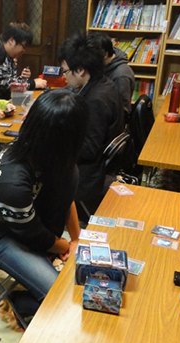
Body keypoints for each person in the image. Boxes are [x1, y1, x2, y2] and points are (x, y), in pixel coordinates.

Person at [0, 88, 87, 313]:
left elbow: (67, 197)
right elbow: (34, 234)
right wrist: (65, 246)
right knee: (59, 296)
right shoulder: (10, 181)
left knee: (75, 282)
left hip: (30, 220)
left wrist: (76, 240)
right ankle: (13, 302)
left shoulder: (55, 157)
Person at [58, 32, 124, 212]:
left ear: (80, 70)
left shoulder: (95, 100)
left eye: (65, 71)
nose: (64, 77)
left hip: (88, 175)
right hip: (97, 167)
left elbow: (87, 149)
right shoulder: (105, 84)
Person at [0, 22, 48, 100]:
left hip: (3, 101)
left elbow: (8, 80)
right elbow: (4, 83)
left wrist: (23, 79)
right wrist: (32, 83)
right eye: (23, 46)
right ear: (11, 41)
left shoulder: (9, 56)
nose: (24, 50)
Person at [90, 32, 135, 117]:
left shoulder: (121, 75)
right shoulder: (102, 65)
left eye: (92, 55)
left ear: (105, 54)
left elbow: (123, 110)